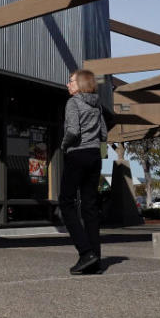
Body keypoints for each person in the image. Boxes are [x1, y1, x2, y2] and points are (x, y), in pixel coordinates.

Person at [59, 68, 110, 275]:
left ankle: (85, 252)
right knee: (89, 207)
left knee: (66, 202)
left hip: (77, 155)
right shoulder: (97, 105)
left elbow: (72, 130)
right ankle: (95, 262)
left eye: (71, 81)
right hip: (94, 156)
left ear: (81, 84)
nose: (68, 84)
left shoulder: (73, 102)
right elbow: (104, 134)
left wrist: (64, 145)